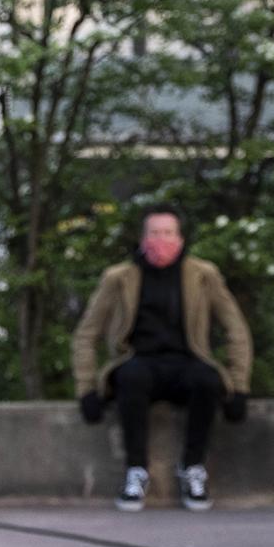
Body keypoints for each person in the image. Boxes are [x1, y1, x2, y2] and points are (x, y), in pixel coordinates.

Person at [71, 205, 253, 512]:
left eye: (168, 232)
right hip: (139, 361)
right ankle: (136, 471)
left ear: (180, 237)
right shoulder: (119, 278)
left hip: (187, 360)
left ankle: (193, 468)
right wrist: (86, 388)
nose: (161, 239)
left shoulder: (203, 275)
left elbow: (235, 327)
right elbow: (86, 333)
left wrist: (239, 385)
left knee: (206, 380)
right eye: (154, 233)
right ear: (143, 238)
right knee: (131, 378)